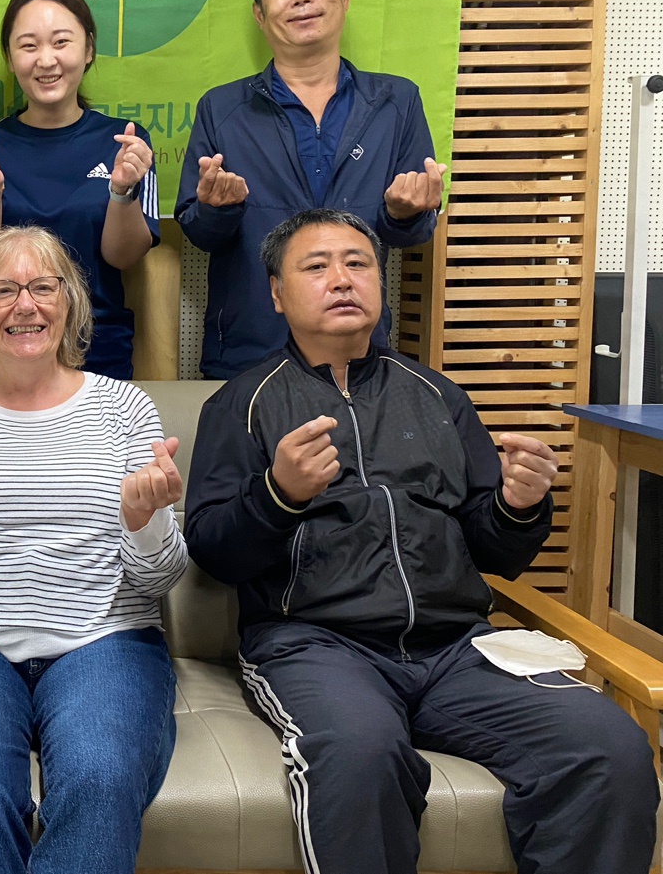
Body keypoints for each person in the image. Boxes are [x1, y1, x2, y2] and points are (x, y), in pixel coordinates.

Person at [183, 208, 658, 874]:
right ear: (277, 293)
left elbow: (498, 553)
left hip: (456, 650)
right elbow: (211, 550)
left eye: (357, 263)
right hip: (316, 646)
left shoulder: (437, 395)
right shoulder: (242, 403)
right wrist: (279, 493)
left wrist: (519, 505)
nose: (342, 279)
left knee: (610, 747)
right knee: (358, 753)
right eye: (317, 266)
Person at [0, 225, 188, 874]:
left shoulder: (125, 407)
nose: (26, 304)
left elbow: (159, 577)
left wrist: (143, 520)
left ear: (69, 301)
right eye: (4, 290)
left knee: (101, 776)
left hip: (106, 638)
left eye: (43, 287)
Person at [176, 0, 444, 380]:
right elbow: (200, 234)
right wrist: (217, 209)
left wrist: (405, 213)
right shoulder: (221, 109)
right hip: (249, 354)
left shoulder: (396, 103)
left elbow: (410, 235)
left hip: (360, 352)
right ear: (260, 14)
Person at [0, 0, 160, 380]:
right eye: (29, 46)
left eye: (61, 42)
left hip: (96, 351)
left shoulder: (125, 142)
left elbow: (124, 257)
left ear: (88, 50)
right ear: (10, 57)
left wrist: (122, 191)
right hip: (1, 352)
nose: (46, 60)